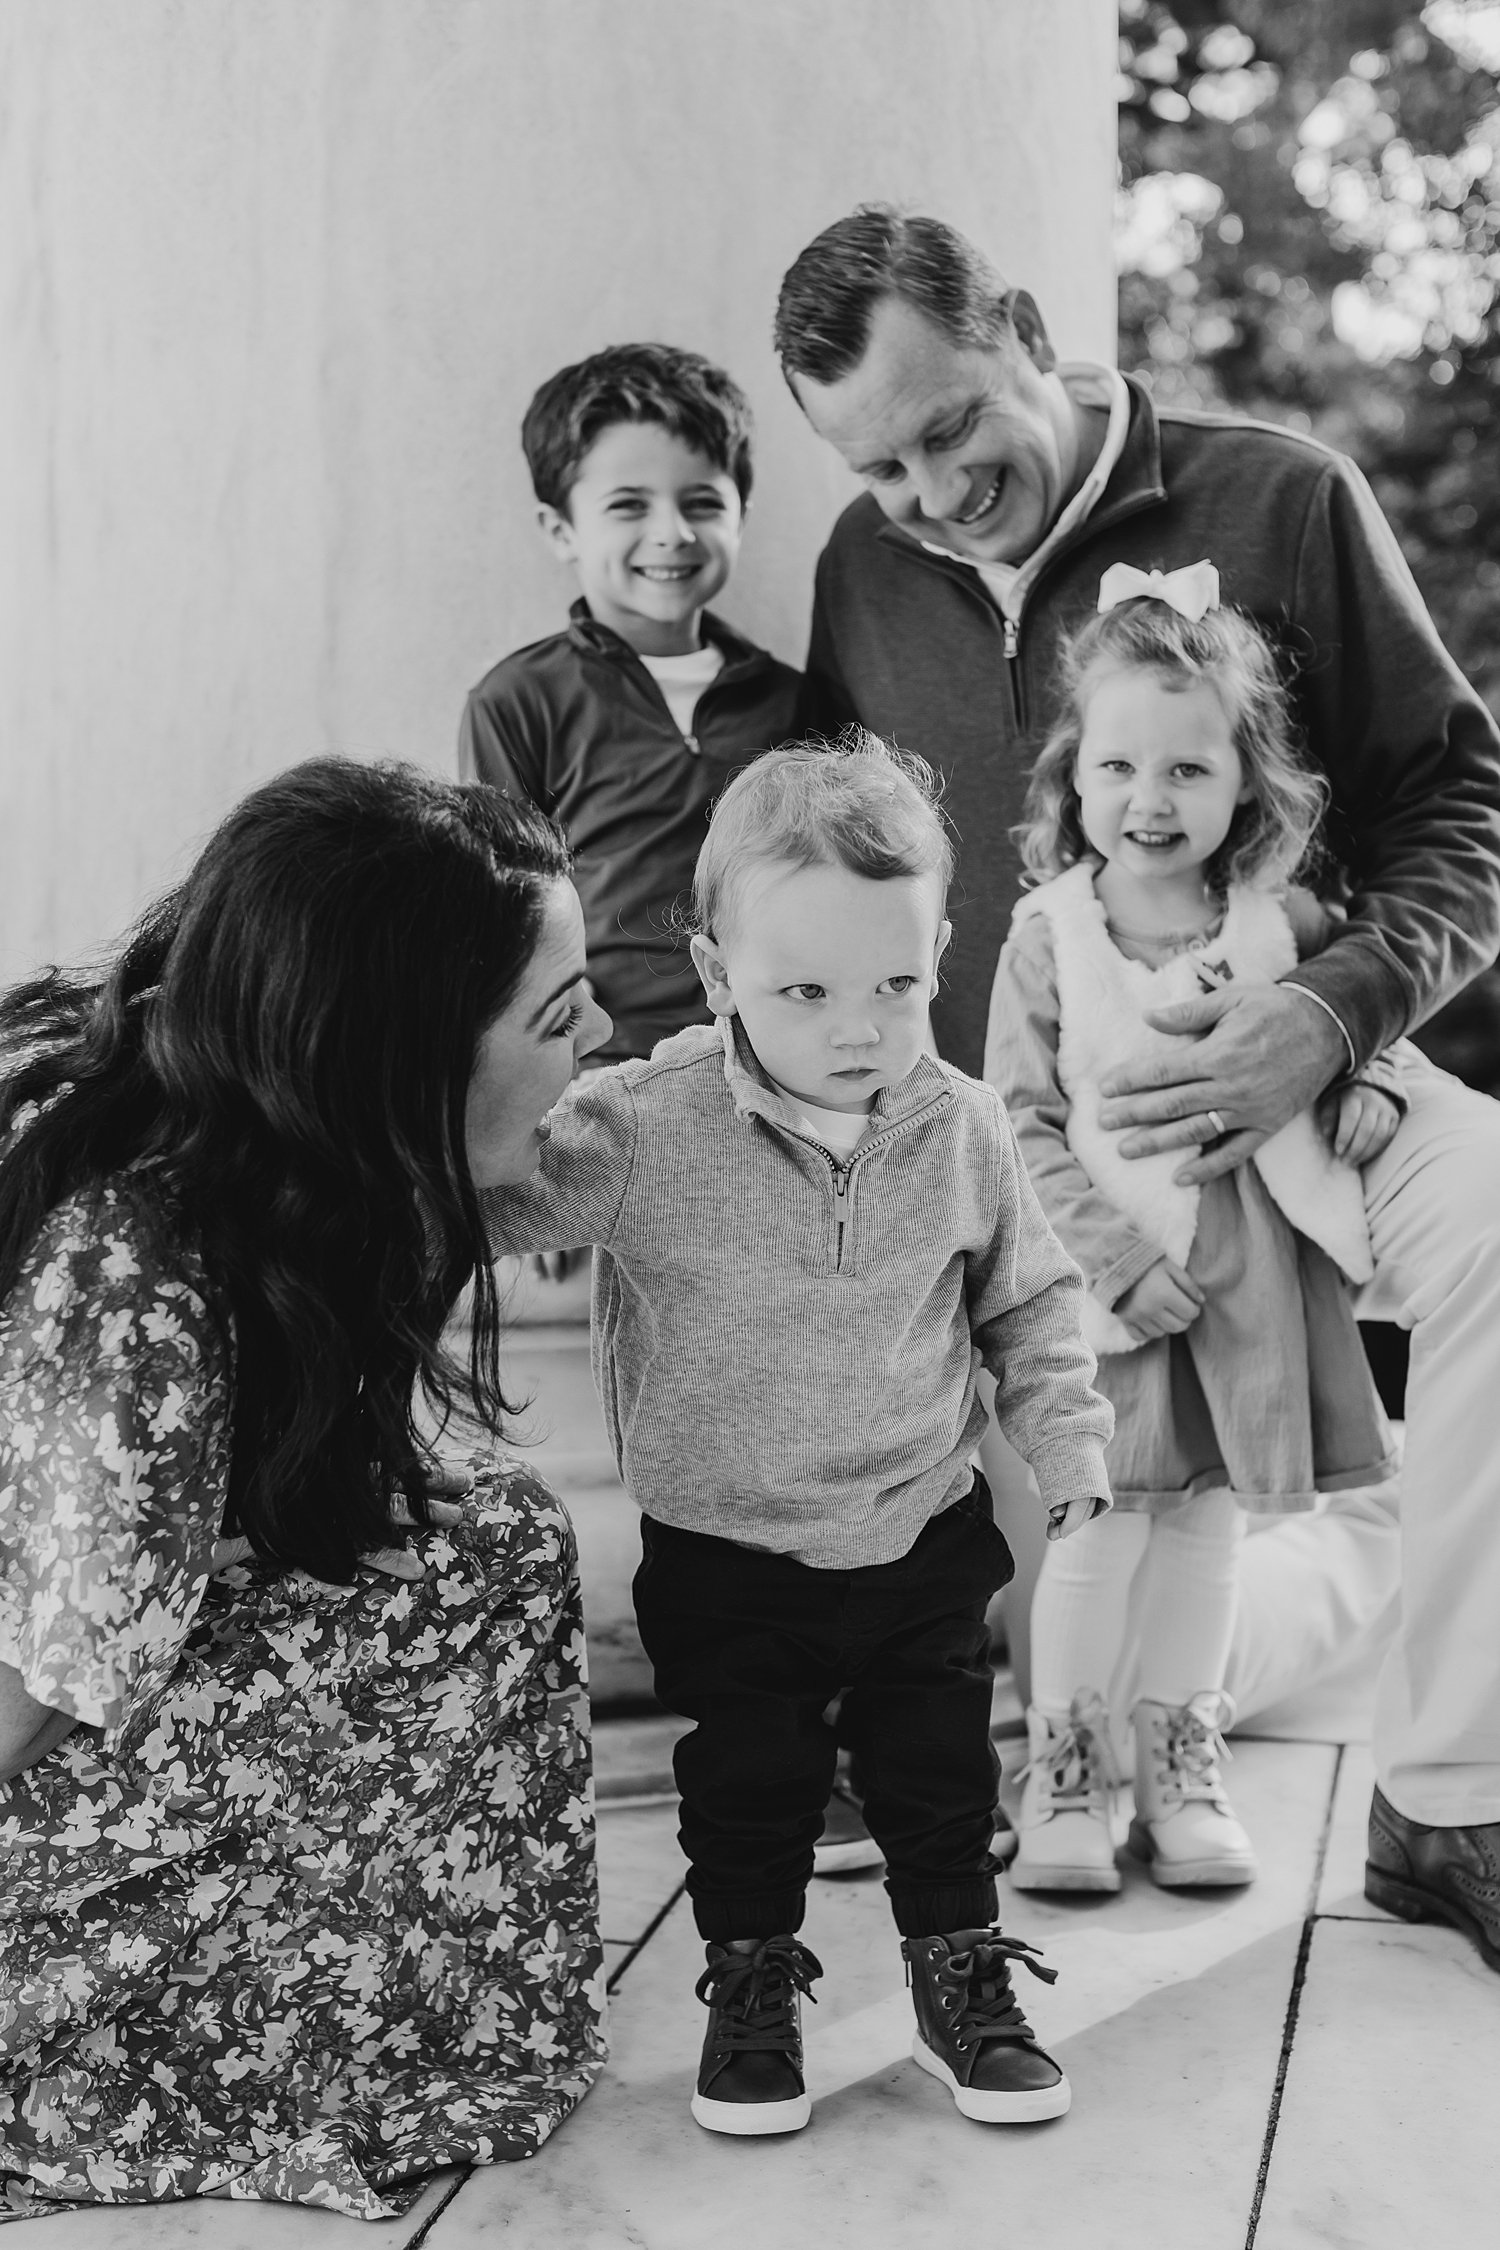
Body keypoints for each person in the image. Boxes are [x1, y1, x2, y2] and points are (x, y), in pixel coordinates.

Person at [773, 207, 1500, 1973]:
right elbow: (808, 856)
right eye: (882, 467)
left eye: (952, 431)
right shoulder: (865, 580)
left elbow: (1467, 814)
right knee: (1108, 1596)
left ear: (1027, 328)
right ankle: (1337, 1576)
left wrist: (1321, 1019)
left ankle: (1453, 1799)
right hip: (1014, 1164)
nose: (934, 493)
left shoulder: (1284, 499)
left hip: (1317, 1104)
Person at [0, 760, 613, 2220]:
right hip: (31, 1725)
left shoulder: (295, 1157)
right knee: (460, 1574)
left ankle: (414, 2007)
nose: (600, 1034)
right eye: (555, 1012)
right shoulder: (138, 1287)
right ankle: (144, 2054)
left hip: (89, 1653)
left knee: (489, 1542)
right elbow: (28, 1686)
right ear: (396, 1054)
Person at [486, 736, 1114, 2136]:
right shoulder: (648, 1127)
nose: (859, 1026)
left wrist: (1064, 1446)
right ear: (718, 975)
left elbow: (1034, 1301)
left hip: (919, 1525)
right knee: (752, 1784)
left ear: (941, 948)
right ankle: (751, 1978)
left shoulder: (963, 1128)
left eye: (898, 983)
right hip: (729, 1544)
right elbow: (495, 1195)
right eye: (806, 990)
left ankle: (962, 1975)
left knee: (942, 1773)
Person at [987, 575, 1402, 1893]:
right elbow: (1018, 1119)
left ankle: (1181, 1764)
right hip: (1118, 1284)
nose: (1149, 799)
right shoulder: (1052, 934)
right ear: (1074, 773)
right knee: (1099, 1532)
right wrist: (1112, 1260)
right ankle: (1067, 1774)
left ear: (1245, 783)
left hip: (1248, 1287)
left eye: (1187, 766)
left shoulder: (1282, 924)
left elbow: (1357, 1031)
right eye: (1117, 764)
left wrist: (1371, 1085)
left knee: (1211, 1536)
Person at [459, 341, 800, 1066]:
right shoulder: (519, 701)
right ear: (561, 530)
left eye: (702, 502)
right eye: (628, 505)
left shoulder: (794, 701)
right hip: (598, 1073)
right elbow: (498, 922)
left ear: (741, 515)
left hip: (774, 1062)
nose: (672, 532)